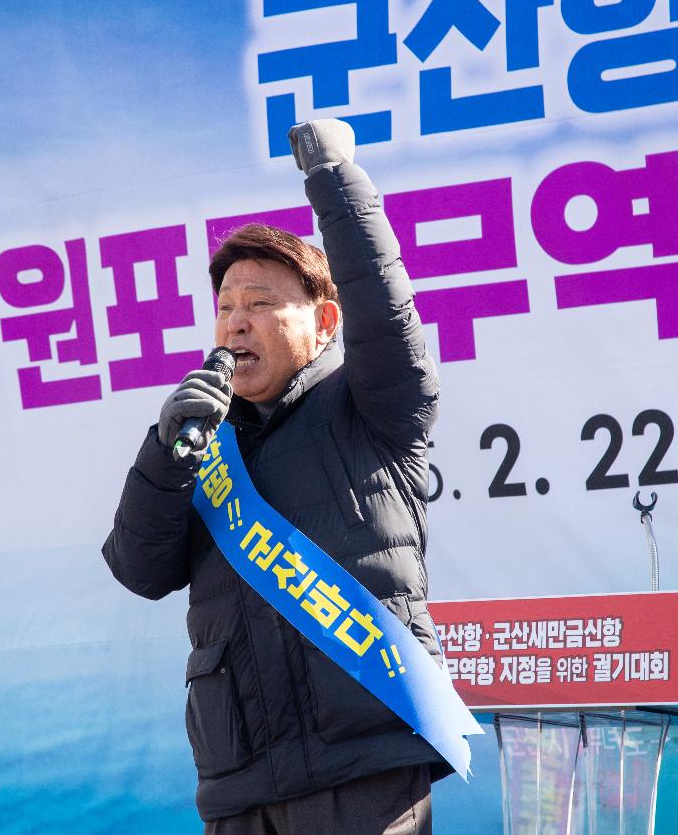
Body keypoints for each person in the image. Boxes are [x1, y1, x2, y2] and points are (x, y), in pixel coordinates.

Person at [102, 119, 446, 834]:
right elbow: (139, 566)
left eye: (260, 303)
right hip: (242, 783)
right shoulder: (202, 447)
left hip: (366, 767)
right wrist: (165, 452)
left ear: (322, 323)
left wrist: (336, 182)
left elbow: (384, 315)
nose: (235, 322)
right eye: (225, 306)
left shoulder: (368, 407)